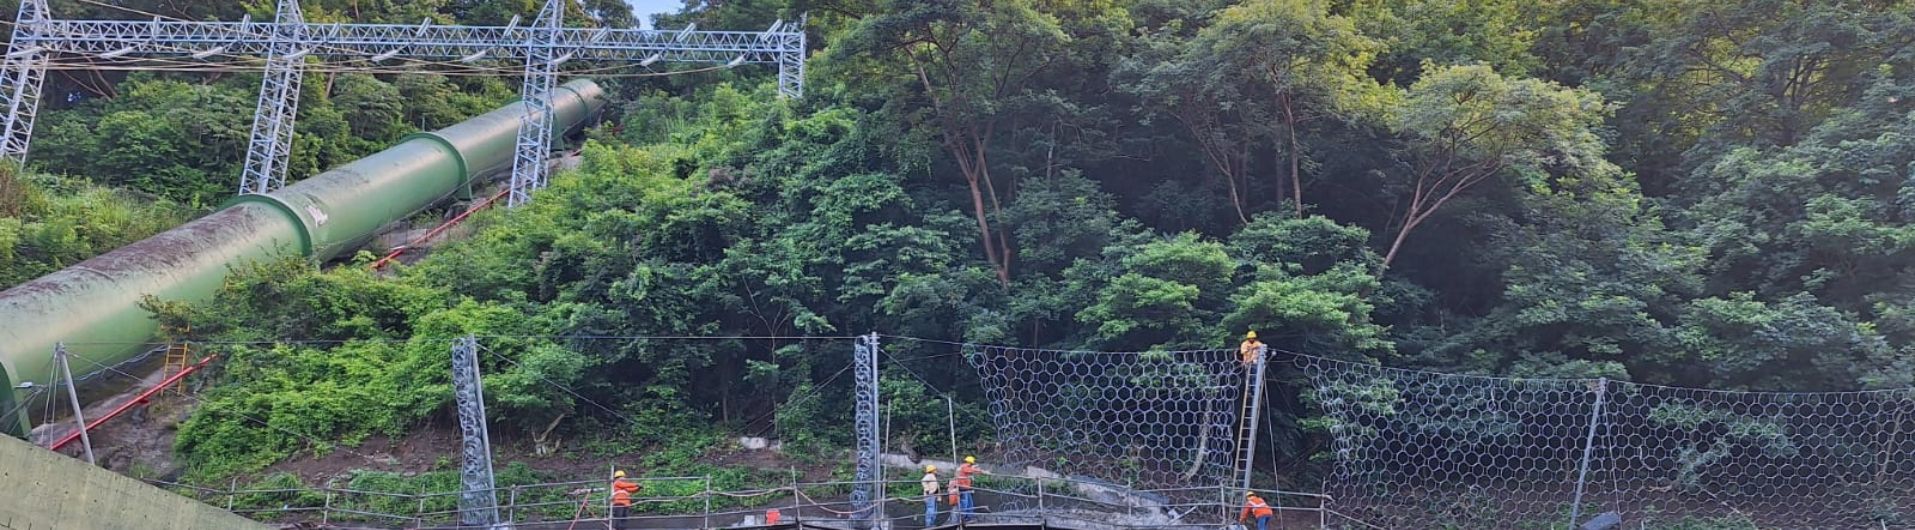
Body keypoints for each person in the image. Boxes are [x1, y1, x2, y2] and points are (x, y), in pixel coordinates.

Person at [952, 456, 980, 523]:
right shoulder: (965, 467)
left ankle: (969, 517)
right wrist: (982, 471)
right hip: (963, 488)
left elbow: (970, 471)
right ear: (971, 462)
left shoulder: (963, 467)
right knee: (965, 504)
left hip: (966, 488)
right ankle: (963, 519)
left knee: (970, 503)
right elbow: (972, 470)